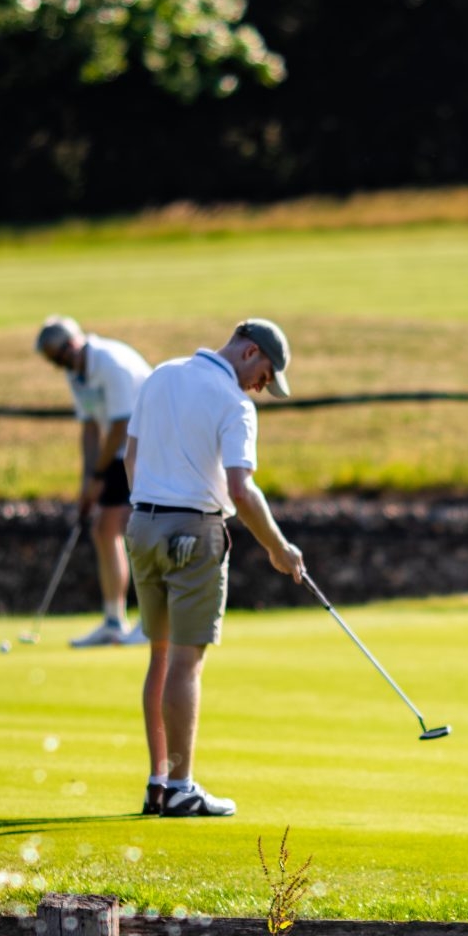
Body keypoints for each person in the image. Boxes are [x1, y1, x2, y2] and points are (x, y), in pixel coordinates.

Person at [121, 319, 306, 817]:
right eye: (265, 376)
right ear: (250, 353)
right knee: (185, 662)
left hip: (142, 525)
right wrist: (279, 548)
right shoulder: (234, 404)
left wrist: (154, 502)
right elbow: (242, 491)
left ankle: (158, 783)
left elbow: (132, 457)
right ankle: (181, 787)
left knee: (159, 657)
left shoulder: (161, 374)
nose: (260, 387)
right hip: (193, 533)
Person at [33, 315, 153, 647]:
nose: (59, 367)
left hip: (151, 446)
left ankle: (151, 621)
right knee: (104, 529)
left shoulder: (110, 362)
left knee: (143, 529)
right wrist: (87, 481)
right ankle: (114, 622)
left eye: (58, 358)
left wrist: (99, 477)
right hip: (121, 451)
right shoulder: (77, 372)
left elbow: (118, 425)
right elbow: (89, 428)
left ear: (72, 344)